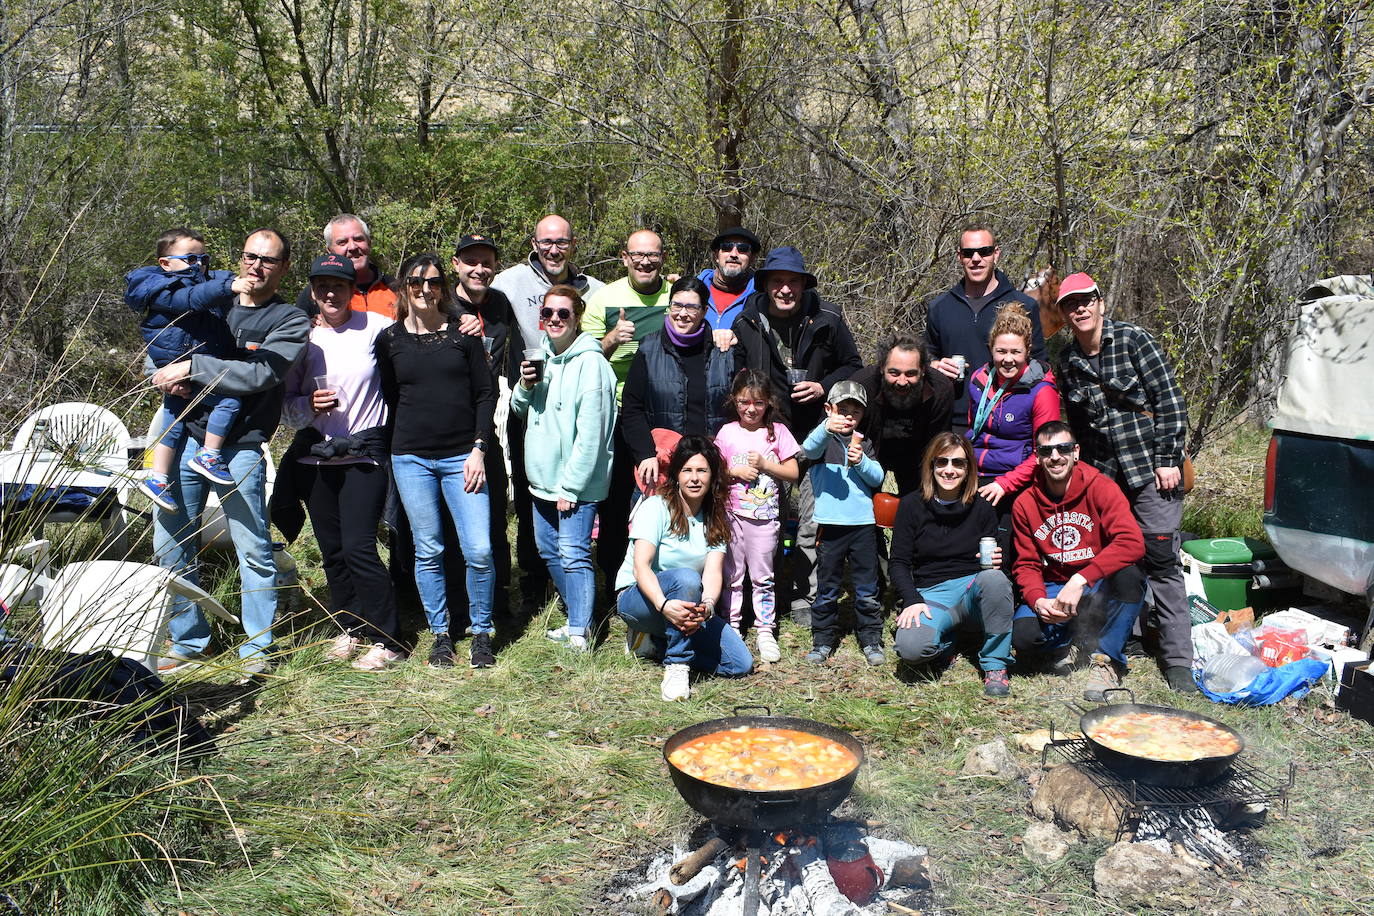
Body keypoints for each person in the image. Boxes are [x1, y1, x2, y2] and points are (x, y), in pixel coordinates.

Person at [151, 228, 310, 675]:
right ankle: (188, 640)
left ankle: (257, 649)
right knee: (170, 544)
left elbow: (257, 375)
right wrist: (162, 371)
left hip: (238, 448)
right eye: (249, 256)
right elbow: (164, 338)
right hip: (183, 439)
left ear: (283, 268)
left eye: (268, 260)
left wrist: (195, 367)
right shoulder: (213, 301)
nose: (255, 266)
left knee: (253, 548)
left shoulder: (290, 320)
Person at [1054, 272, 1196, 694]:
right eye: (1070, 304)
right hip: (1107, 479)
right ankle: (1116, 645)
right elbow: (1076, 425)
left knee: (1160, 561)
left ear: (1099, 301)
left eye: (1086, 300)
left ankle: (1177, 662)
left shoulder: (1134, 340)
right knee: (1114, 560)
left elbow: (1170, 401)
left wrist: (1169, 459)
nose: (1079, 309)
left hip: (1152, 471)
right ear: (1063, 312)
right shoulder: (1068, 361)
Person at [375, 254, 497, 670]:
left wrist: (479, 448)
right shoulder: (389, 340)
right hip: (410, 458)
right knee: (428, 550)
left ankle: (482, 632)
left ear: (443, 287)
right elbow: (390, 396)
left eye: (432, 283)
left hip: (464, 456)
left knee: (478, 549)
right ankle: (441, 634)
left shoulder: (463, 337)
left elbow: (485, 394)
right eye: (415, 283)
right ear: (403, 288)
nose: (424, 291)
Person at [282, 254, 402, 670]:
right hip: (317, 460)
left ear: (354, 290)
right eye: (321, 285)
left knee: (359, 548)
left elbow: (412, 361)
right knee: (332, 551)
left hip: (363, 457)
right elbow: (289, 409)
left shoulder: (378, 328)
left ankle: (388, 638)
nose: (330, 293)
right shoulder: (304, 339)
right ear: (312, 291)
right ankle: (351, 627)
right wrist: (307, 404)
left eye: (339, 285)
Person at [731, 246, 862, 625]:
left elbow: (853, 364)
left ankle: (807, 595)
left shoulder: (828, 318)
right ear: (766, 285)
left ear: (804, 284)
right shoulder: (748, 320)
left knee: (810, 517)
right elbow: (737, 376)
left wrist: (824, 386)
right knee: (761, 513)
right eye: (778, 282)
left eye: (792, 282)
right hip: (766, 435)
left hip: (812, 435)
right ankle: (763, 593)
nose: (785, 289)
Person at [492, 214, 604, 617]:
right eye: (546, 241)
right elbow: (474, 301)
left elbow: (592, 433)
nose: (554, 248)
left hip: (575, 417)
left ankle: (582, 618)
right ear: (534, 242)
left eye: (562, 241)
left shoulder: (596, 289)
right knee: (531, 514)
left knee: (573, 542)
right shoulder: (508, 282)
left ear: (573, 243)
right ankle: (538, 593)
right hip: (533, 403)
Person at [510, 285, 617, 652]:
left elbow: (592, 436)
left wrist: (571, 487)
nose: (554, 320)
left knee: (574, 552)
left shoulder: (592, 364)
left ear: (578, 317)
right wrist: (524, 387)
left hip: (574, 483)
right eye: (548, 314)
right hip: (540, 480)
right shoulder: (540, 357)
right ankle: (578, 615)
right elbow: (521, 410)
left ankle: (580, 634)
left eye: (563, 314)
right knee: (549, 550)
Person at [1010, 421, 1147, 701]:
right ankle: (1072, 640)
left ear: (1076, 452)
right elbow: (1026, 564)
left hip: (1095, 584)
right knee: (1024, 637)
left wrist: (1081, 578)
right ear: (1037, 457)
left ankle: (1106, 661)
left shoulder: (1101, 487)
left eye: (1063, 448)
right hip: (1052, 586)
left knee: (1130, 577)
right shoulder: (1024, 503)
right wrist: (1037, 600)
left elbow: (1132, 542)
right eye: (1047, 451)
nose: (1055, 456)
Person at [127, 227, 256, 511]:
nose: (199, 264)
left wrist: (240, 280)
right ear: (165, 263)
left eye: (203, 258)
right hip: (181, 362)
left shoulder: (199, 282)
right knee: (229, 400)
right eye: (190, 258)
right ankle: (209, 455)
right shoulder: (162, 290)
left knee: (174, 420)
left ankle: (157, 478)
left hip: (187, 362)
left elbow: (212, 291)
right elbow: (191, 299)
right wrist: (229, 287)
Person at [614, 436, 752, 701]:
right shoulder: (656, 507)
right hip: (640, 599)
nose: (694, 478)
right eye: (687, 470)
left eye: (702, 470)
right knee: (687, 578)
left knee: (739, 664)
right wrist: (664, 605)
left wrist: (708, 607)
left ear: (713, 476)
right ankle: (677, 665)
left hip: (686, 606)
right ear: (676, 474)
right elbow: (640, 567)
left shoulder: (715, 518)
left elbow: (713, 572)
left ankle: (655, 643)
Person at [890, 433, 1014, 697]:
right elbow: (898, 562)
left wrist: (996, 564)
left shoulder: (981, 506)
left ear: (968, 468)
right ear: (931, 466)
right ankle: (946, 642)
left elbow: (999, 566)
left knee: (995, 579)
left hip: (972, 588)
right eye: (942, 462)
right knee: (911, 650)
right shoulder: (912, 504)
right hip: (932, 593)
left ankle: (995, 665)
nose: (949, 470)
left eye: (958, 463)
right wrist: (911, 600)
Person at [584, 229, 673, 585]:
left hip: (666, 413)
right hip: (617, 414)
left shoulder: (676, 297)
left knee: (667, 498)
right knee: (617, 501)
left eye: (652, 254)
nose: (645, 261)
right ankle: (613, 579)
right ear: (625, 258)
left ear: (662, 258)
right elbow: (583, 360)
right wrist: (610, 339)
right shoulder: (604, 299)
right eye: (637, 255)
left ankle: (663, 574)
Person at [713, 369, 800, 662]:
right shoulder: (726, 433)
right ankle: (732, 626)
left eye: (758, 403)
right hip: (731, 516)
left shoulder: (777, 433)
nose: (751, 409)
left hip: (764, 519)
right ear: (734, 401)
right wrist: (732, 472)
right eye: (744, 402)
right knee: (732, 576)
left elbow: (792, 472)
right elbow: (714, 471)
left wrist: (765, 464)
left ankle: (765, 629)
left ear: (768, 404)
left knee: (763, 577)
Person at [450, 233, 516, 618]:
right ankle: (457, 600)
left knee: (493, 509)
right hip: (447, 423)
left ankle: (499, 596)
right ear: (456, 263)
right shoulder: (441, 304)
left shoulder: (500, 304)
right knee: (453, 515)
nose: (479, 268)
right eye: (471, 261)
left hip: (485, 421)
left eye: (487, 262)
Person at [925, 226, 1046, 432]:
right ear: (959, 257)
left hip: (1007, 422)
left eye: (984, 251)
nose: (976, 258)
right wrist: (934, 366)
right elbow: (926, 356)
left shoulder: (1023, 305)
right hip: (952, 423)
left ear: (996, 254)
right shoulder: (940, 307)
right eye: (968, 253)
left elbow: (1041, 365)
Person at [621, 276, 736, 492]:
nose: (682, 314)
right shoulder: (648, 348)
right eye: (677, 305)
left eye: (691, 307)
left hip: (712, 466)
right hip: (663, 467)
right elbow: (632, 408)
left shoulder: (724, 351)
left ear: (703, 311)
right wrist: (645, 454)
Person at [799, 381, 886, 665]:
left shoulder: (865, 443)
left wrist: (861, 462)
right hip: (830, 526)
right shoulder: (823, 441)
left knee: (866, 588)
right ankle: (822, 640)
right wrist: (825, 428)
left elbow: (877, 478)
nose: (848, 417)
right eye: (842, 410)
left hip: (862, 526)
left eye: (855, 412)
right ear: (828, 409)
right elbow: (808, 451)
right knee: (828, 588)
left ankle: (871, 640)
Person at [966, 303, 1061, 550]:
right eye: (1001, 351)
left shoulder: (1042, 391)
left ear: (1028, 351)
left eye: (1016, 352)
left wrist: (1005, 484)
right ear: (991, 349)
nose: (1008, 360)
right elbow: (972, 430)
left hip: (1014, 482)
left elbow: (1045, 453)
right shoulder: (979, 380)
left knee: (1000, 551)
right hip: (975, 475)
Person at [849, 333, 955, 497]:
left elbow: (938, 445)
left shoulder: (941, 390)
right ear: (882, 368)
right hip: (869, 454)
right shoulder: (862, 386)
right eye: (894, 373)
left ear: (923, 371)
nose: (902, 381)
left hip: (918, 455)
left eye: (911, 374)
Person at [293, 214, 397, 318]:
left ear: (369, 243)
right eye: (342, 242)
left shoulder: (395, 287)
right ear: (330, 251)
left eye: (358, 239)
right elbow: (299, 330)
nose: (352, 247)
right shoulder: (318, 294)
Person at [697, 227, 760, 350]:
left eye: (743, 249)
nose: (733, 254)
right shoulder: (694, 291)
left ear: (752, 258)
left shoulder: (761, 298)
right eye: (726, 247)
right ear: (716, 255)